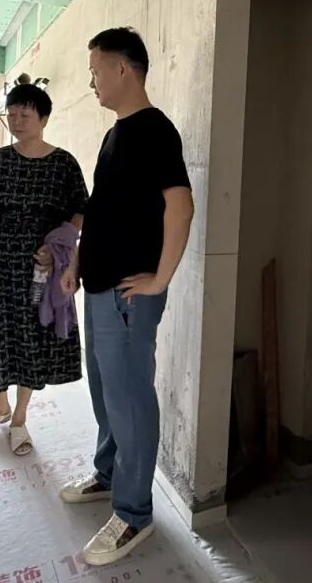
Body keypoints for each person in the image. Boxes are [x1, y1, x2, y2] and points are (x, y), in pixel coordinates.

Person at [58, 28, 195, 567]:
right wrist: (77, 262)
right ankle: (109, 473)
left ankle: (134, 513)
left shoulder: (154, 130)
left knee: (130, 399)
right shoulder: (116, 134)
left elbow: (180, 206)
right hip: (99, 288)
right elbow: (102, 211)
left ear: (122, 68)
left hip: (128, 295)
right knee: (106, 391)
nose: (91, 81)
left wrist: (159, 279)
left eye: (95, 70)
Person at [0, 78, 89, 456]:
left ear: (44, 119)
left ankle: (19, 418)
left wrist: (59, 245)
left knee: (32, 338)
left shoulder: (63, 163)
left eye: (25, 115)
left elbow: (81, 211)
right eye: (13, 115)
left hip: (42, 267)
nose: (17, 121)